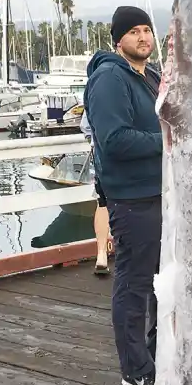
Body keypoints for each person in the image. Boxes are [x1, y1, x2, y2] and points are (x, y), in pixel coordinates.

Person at [83, 6, 163, 385]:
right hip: (132, 199)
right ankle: (135, 369)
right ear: (119, 39)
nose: (143, 37)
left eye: (147, 29)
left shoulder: (150, 76)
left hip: (162, 194)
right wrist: (169, 142)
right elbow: (114, 141)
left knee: (165, 285)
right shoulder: (110, 78)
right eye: (134, 31)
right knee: (135, 283)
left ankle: (158, 359)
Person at [79, 108, 112, 277]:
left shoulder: (95, 85)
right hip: (121, 153)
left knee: (102, 201)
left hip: (99, 151)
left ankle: (101, 254)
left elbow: (85, 125)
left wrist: (92, 139)